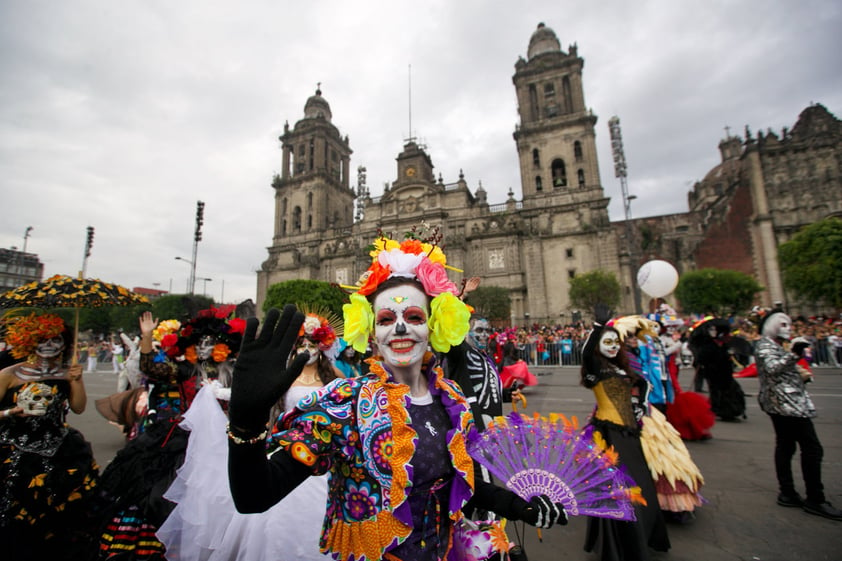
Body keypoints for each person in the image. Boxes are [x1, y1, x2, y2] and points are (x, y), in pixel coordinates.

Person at [227, 234, 566, 561]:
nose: (401, 328)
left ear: (433, 326)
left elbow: (464, 482)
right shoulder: (344, 405)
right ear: (371, 332)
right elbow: (255, 496)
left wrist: (520, 507)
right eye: (387, 319)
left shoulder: (452, 401)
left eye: (414, 317)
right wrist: (246, 426)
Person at [0, 312, 101, 561]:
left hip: (60, 451)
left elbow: (78, 408)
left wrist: (76, 380)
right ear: (30, 342)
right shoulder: (9, 374)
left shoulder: (68, 373)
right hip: (14, 451)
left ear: (65, 344)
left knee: (62, 516)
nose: (50, 345)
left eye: (56, 340)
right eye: (43, 339)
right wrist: (9, 412)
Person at [581, 305, 670, 560]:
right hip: (609, 435)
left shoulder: (622, 369)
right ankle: (624, 545)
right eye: (606, 343)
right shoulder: (596, 370)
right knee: (622, 491)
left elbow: (642, 382)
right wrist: (598, 328)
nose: (611, 346)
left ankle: (645, 537)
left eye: (615, 342)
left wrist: (641, 403)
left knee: (644, 488)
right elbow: (587, 354)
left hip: (630, 433)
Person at [754, 309, 842, 521]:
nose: (788, 328)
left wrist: (800, 374)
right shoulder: (764, 346)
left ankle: (788, 492)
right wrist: (794, 354)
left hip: (788, 402)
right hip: (785, 405)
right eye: (782, 325)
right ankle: (815, 498)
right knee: (811, 448)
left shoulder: (776, 345)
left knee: (786, 446)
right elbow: (772, 369)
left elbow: (781, 372)